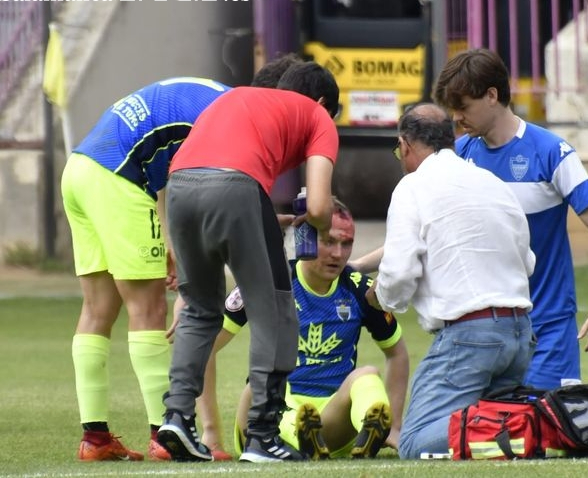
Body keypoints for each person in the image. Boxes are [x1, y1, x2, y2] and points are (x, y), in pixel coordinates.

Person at [156, 61, 340, 463]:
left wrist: (262, 218)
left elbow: (214, 174)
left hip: (182, 188)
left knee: (200, 310)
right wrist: (321, 227)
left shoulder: (237, 96)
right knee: (274, 312)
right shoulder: (316, 115)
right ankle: (263, 434)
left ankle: (177, 416)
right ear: (324, 102)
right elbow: (322, 204)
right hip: (239, 189)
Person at [61, 76, 231, 462]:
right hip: (118, 177)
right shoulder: (232, 114)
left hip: (81, 168)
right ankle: (165, 436)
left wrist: (164, 242)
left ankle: (96, 439)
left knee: (97, 310)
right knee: (149, 310)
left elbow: (168, 167)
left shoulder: (210, 93)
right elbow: (200, 187)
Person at [433, 48, 588, 390]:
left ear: (491, 96)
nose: (456, 118)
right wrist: (359, 265)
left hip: (547, 327)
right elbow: (421, 228)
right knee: (486, 435)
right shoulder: (458, 157)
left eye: (463, 107)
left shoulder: (550, 151)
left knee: (545, 435)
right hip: (486, 331)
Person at [365, 103, 536, 459]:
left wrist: (378, 298)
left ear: (405, 145)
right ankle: (529, 425)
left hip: (470, 336)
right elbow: (527, 261)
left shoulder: (412, 187)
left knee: (414, 443)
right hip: (520, 332)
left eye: (399, 151)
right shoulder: (493, 183)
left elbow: (398, 274)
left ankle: (535, 427)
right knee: (487, 419)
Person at [190, 198, 409, 460]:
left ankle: (368, 430)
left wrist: (394, 425)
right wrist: (211, 431)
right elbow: (204, 348)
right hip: (266, 417)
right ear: (305, 238)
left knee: (367, 375)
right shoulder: (270, 283)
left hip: (332, 419)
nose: (338, 254)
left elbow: (397, 353)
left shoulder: (359, 289)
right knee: (260, 384)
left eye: (346, 243)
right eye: (328, 241)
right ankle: (299, 437)